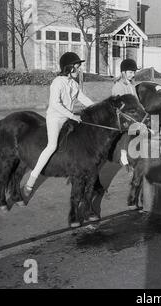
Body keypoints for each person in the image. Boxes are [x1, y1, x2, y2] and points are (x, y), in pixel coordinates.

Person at [22, 52, 95, 197]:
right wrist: (73, 115)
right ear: (69, 67)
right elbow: (55, 104)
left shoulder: (73, 83)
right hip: (55, 118)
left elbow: (84, 99)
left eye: (79, 67)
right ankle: (32, 179)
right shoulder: (57, 82)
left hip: (69, 118)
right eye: (77, 67)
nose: (79, 70)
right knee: (52, 146)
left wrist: (99, 108)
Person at [111, 58, 140, 167]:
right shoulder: (118, 87)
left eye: (134, 72)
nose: (133, 75)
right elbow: (121, 106)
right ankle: (123, 154)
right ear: (123, 73)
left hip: (132, 114)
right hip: (121, 115)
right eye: (131, 72)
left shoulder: (132, 85)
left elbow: (136, 102)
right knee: (129, 127)